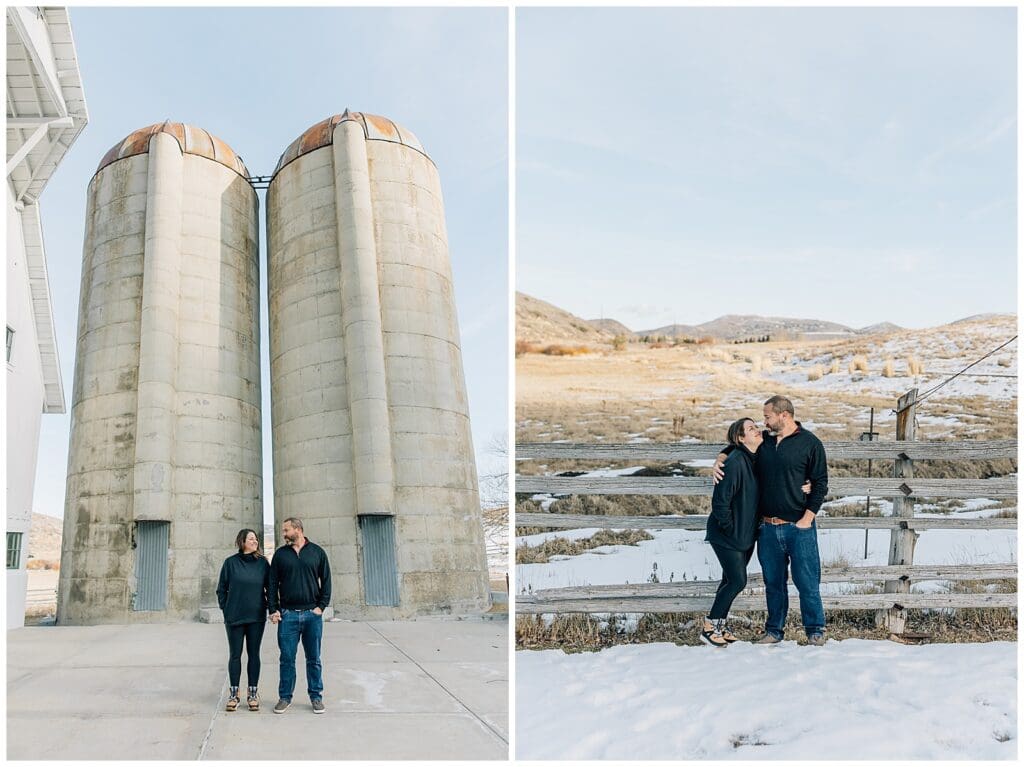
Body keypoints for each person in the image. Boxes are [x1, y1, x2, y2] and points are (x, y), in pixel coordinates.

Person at [714, 395, 829, 646]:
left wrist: (807, 519)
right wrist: (719, 460)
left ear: (783, 415)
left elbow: (820, 484)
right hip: (767, 528)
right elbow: (736, 447)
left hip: (799, 527)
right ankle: (774, 630)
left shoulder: (810, 443)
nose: (763, 421)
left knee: (807, 582)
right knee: (773, 584)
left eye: (767, 416)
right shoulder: (764, 441)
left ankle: (815, 630)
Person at [702, 417, 763, 648]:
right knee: (738, 581)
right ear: (740, 438)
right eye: (751, 429)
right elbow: (720, 502)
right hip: (727, 534)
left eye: (756, 426)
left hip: (745, 534)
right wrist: (730, 528)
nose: (757, 430)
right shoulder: (736, 462)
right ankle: (709, 626)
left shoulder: (756, 456)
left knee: (728, 580)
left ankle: (720, 625)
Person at [268, 517, 332, 714]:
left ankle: (316, 696)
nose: (284, 534)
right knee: (287, 658)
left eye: (286, 530)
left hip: (312, 615)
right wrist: (274, 609)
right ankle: (285, 697)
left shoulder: (317, 552)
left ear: (298, 529)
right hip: (288, 616)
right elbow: (272, 584)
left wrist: (321, 607)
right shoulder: (280, 555)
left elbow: (327, 581)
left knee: (314, 658)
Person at [216, 528, 270, 711]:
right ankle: (234, 694)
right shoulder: (230, 563)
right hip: (234, 617)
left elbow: (269, 589)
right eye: (251, 539)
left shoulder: (263, 563)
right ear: (242, 542)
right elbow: (221, 589)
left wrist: (272, 609)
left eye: (256, 539)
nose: (255, 541)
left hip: (256, 617)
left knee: (254, 655)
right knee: (235, 655)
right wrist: (226, 608)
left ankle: (252, 693)